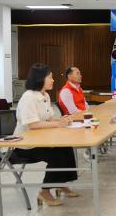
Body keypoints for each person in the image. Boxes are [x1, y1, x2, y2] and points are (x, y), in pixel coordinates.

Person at [13, 63, 78, 206]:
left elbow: (48, 118)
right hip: (25, 146)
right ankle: (44, 191)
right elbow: (33, 125)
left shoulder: (45, 95)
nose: (53, 80)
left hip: (41, 139)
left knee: (66, 147)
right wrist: (57, 124)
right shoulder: (28, 97)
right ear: (40, 79)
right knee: (57, 154)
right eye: (50, 77)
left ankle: (61, 183)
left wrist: (62, 119)